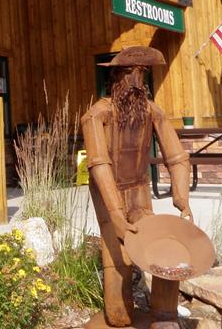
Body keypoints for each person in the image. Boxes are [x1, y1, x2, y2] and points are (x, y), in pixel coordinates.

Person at [81, 46, 193, 328]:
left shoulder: (152, 111)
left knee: (166, 247)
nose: (136, 81)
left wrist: (182, 200)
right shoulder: (97, 114)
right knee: (118, 265)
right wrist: (116, 215)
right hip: (109, 194)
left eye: (141, 74)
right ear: (116, 77)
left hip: (140, 192)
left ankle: (165, 315)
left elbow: (177, 157)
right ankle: (119, 310)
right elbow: (99, 164)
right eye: (130, 73)